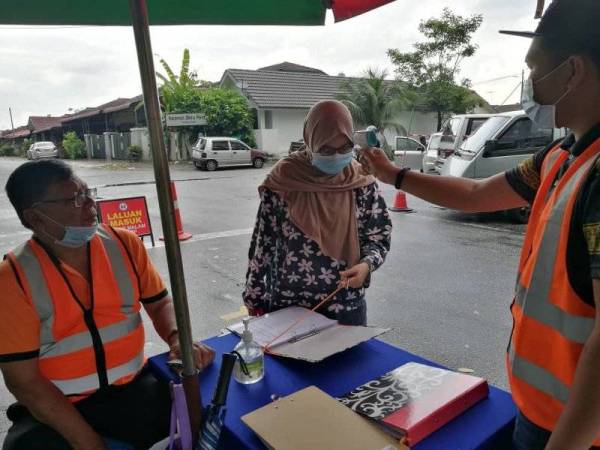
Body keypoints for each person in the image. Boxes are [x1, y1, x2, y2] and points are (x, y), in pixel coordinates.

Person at [360, 1, 600, 448]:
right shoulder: (562, 156)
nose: (531, 85)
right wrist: (393, 174)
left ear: (573, 70)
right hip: (542, 410)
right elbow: (476, 195)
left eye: (536, 69)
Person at [0, 159, 215, 450]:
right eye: (74, 198)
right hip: (60, 406)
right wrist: (90, 443)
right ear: (35, 218)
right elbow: (25, 382)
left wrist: (178, 337)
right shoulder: (13, 277)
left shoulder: (124, 244)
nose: (90, 203)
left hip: (135, 388)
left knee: (209, 413)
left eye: (88, 192)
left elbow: (161, 304)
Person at [242, 100, 391, 326]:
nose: (335, 156)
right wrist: (254, 296)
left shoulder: (361, 182)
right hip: (288, 306)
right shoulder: (284, 180)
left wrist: (366, 265)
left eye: (344, 148)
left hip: (345, 304)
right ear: (309, 142)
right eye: (326, 150)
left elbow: (378, 237)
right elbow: (263, 244)